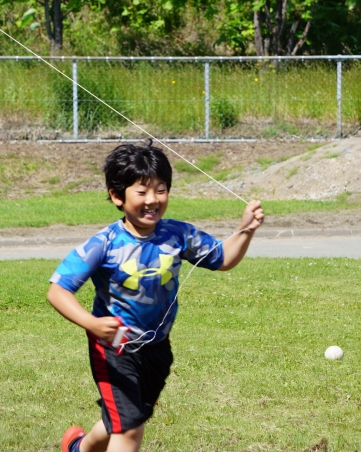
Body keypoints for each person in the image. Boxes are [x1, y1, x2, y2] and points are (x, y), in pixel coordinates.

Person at [47, 141, 264, 452]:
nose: (152, 200)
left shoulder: (177, 235)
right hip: (114, 350)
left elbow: (223, 259)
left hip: (157, 349)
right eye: (142, 192)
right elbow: (58, 290)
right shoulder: (104, 244)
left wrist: (246, 229)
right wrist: (91, 323)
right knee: (129, 428)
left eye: (160, 190)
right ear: (117, 196)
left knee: (123, 418)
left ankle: (77, 448)